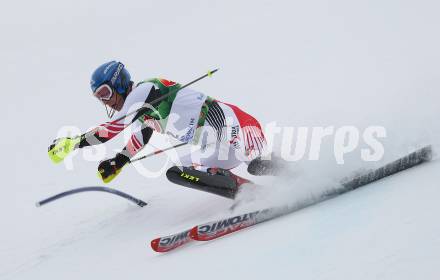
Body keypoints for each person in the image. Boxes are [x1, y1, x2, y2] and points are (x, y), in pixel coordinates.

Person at [48, 61, 268, 198]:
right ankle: (250, 195)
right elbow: (140, 137)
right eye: (99, 98)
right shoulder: (139, 111)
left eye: (106, 93)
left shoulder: (144, 91)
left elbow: (111, 129)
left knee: (257, 165)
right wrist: (118, 161)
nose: (106, 102)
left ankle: (296, 178)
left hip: (236, 126)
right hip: (217, 147)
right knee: (178, 170)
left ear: (120, 84)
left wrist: (74, 143)